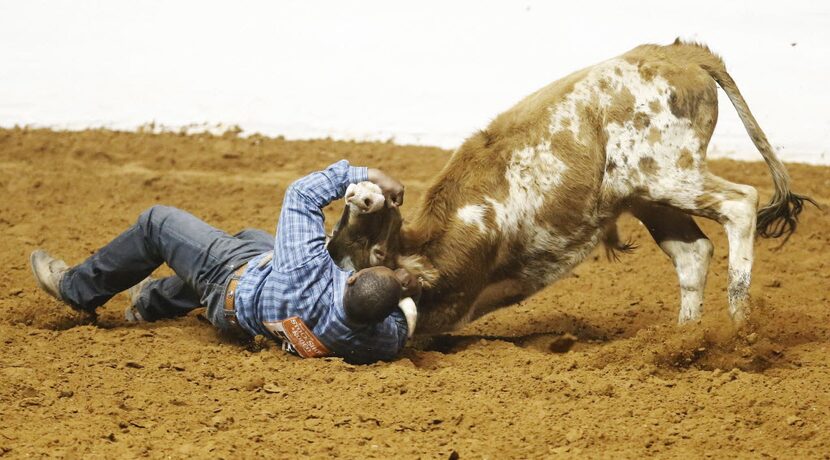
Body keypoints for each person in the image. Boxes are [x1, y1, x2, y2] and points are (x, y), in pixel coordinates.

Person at [30, 160, 421, 364]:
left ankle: (76, 289)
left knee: (157, 222)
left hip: (232, 279)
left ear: (350, 281)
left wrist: (367, 174)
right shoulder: (375, 342)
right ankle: (150, 302)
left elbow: (301, 194)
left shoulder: (305, 271)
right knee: (254, 238)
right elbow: (399, 325)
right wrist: (407, 289)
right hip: (244, 316)